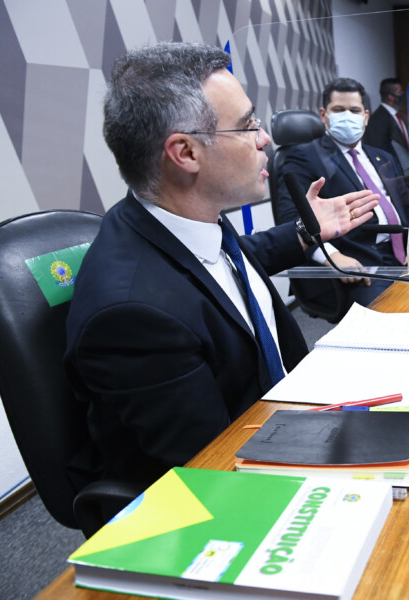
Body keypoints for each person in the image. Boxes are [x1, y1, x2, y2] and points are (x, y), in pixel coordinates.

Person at [64, 43, 379, 490]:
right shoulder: (134, 315)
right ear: (186, 153)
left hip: (288, 415)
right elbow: (219, 468)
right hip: (246, 478)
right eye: (247, 125)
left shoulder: (184, 218)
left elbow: (229, 265)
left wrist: (305, 232)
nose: (264, 138)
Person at [275, 77, 409, 308]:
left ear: (366, 117)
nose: (347, 116)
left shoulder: (382, 156)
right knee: (400, 318)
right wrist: (333, 258)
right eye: (338, 110)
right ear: (323, 115)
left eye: (354, 110)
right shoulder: (303, 157)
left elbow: (408, 202)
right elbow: (291, 218)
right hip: (362, 265)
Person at [362, 77, 409, 178]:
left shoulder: (398, 115)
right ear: (391, 96)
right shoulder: (378, 119)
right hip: (393, 174)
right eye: (400, 91)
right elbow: (380, 149)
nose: (403, 94)